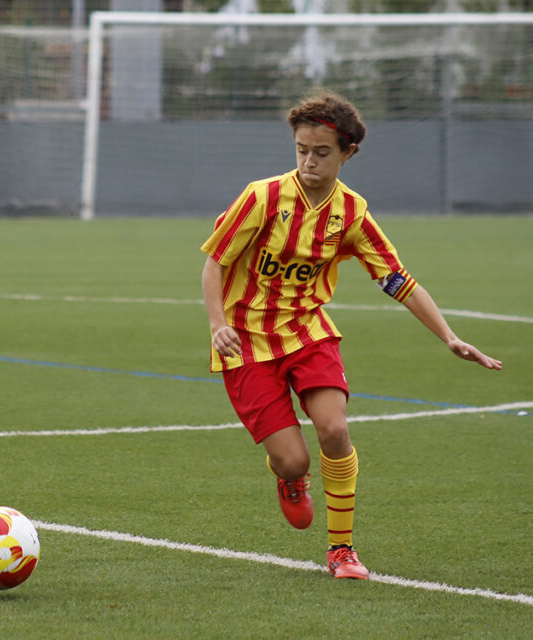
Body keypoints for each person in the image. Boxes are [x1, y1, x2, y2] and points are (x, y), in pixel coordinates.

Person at [199, 91, 502, 580]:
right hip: (248, 342)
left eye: (321, 152)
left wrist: (448, 336)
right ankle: (291, 481)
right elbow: (216, 261)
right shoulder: (263, 197)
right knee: (293, 460)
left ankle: (342, 550)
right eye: (301, 149)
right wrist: (218, 323)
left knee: (335, 429)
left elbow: (398, 280)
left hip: (309, 333)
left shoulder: (353, 213)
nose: (308, 161)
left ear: (348, 153)